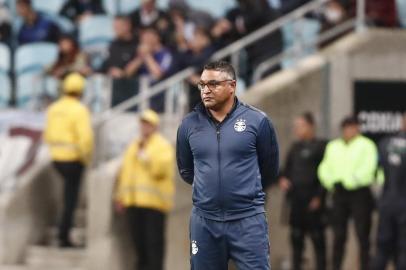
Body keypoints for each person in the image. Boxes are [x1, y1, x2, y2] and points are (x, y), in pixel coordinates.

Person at [176, 61, 279, 269]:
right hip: (205, 221)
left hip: (247, 220)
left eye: (213, 84)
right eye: (202, 85)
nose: (206, 90)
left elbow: (269, 170)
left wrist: (242, 194)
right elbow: (186, 170)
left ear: (232, 86)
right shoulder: (188, 124)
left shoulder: (257, 121)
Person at [114, 109, 175, 270]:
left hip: (154, 204)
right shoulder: (134, 145)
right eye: (142, 124)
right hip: (133, 202)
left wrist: (146, 158)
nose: (144, 127)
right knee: (138, 245)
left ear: (155, 126)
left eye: (148, 124)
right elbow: (125, 173)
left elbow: (161, 169)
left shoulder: (162, 145)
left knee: (153, 245)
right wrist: (121, 196)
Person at [318, 116, 378, 270]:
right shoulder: (333, 146)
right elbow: (324, 168)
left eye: (353, 127)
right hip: (339, 193)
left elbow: (369, 168)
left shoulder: (367, 145)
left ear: (358, 129)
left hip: (360, 193)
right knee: (338, 236)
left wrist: (351, 180)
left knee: (362, 235)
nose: (350, 131)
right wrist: (331, 182)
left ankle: (365, 266)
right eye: (347, 127)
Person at [44, 72, 94, 247]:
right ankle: (63, 236)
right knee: (70, 200)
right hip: (74, 160)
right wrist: (86, 159)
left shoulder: (53, 108)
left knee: (66, 197)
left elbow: (47, 134)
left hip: (56, 159)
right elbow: (85, 139)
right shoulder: (80, 110)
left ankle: (62, 231)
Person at [279, 112, 327, 270]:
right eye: (295, 126)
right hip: (296, 202)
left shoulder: (322, 146)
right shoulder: (294, 147)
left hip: (314, 202)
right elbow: (286, 171)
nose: (297, 129)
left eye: (300, 126)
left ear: (311, 126)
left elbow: (327, 174)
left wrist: (319, 197)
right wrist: (283, 179)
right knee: (296, 240)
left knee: (318, 241)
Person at [372, 113, 406, 270]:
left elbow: (376, 173)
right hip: (402, 204)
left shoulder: (384, 143)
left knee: (382, 249)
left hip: (386, 202)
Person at [125, 27, 174, 112]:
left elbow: (158, 74)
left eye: (148, 36)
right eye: (144, 36)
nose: (145, 39)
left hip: (158, 99)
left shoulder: (165, 54)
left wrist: (147, 56)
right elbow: (127, 73)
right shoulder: (139, 53)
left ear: (157, 37)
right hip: (139, 97)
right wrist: (140, 58)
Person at [101, 16, 138, 108]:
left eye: (118, 27)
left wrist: (123, 73)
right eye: (114, 27)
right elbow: (104, 66)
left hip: (132, 93)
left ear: (127, 26)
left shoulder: (137, 44)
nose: (115, 30)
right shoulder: (113, 45)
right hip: (113, 92)